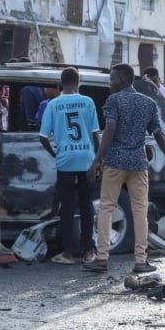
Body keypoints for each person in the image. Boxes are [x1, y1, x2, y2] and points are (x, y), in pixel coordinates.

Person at [84, 64, 165, 274]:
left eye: (112, 79)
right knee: (139, 212)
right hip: (138, 163)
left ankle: (102, 258)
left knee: (106, 208)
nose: (110, 84)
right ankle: (140, 261)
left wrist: (97, 160)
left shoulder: (114, 101)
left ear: (123, 80)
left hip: (115, 161)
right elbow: (158, 133)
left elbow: (110, 129)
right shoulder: (148, 103)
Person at [39, 68, 99, 265]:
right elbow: (95, 134)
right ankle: (89, 250)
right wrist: (97, 160)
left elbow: (42, 137)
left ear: (60, 83)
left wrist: (56, 154)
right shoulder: (88, 102)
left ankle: (68, 253)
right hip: (87, 159)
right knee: (86, 205)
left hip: (66, 160)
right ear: (78, 81)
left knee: (66, 206)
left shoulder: (53, 104)